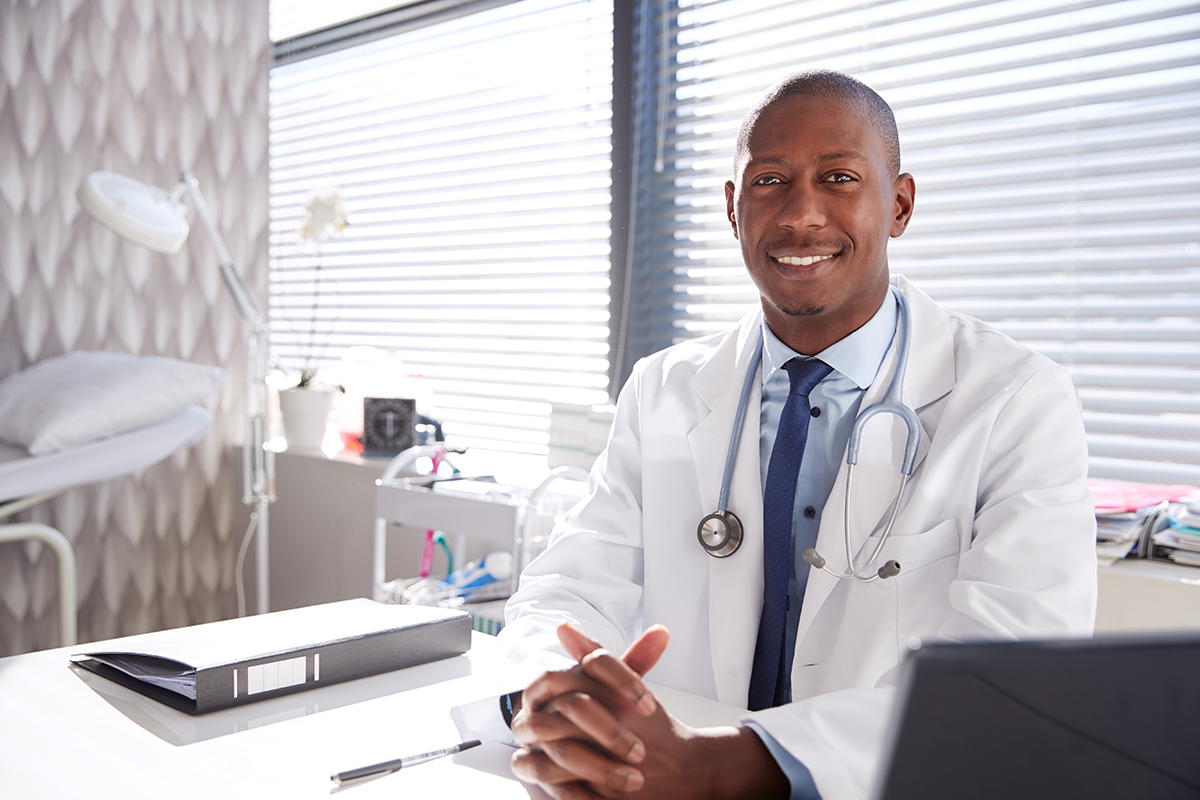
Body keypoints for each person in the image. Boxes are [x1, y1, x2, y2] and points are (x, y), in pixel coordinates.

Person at [492, 69, 1097, 800]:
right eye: (769, 180)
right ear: (733, 207)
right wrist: (554, 698)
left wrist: (719, 767)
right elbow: (570, 587)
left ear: (899, 204)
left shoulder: (1014, 399)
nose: (801, 214)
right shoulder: (664, 388)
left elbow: (1011, 678)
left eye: (839, 177)